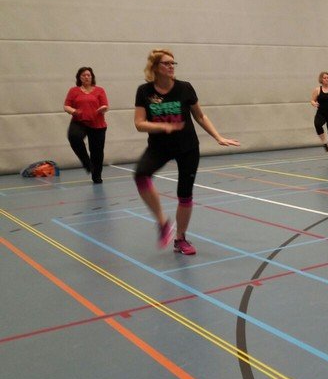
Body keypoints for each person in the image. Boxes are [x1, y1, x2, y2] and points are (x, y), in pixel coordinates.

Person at [133, 49, 239, 255]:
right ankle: (163, 223)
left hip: (187, 147)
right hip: (159, 147)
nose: (171, 66)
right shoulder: (144, 91)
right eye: (166, 63)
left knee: (185, 194)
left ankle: (180, 239)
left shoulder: (185, 88)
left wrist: (218, 136)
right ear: (155, 67)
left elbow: (200, 116)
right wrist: (162, 127)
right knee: (141, 175)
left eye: (173, 63)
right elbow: (139, 123)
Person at [63, 67, 108, 183]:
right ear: (79, 78)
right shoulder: (74, 91)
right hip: (79, 122)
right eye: (83, 75)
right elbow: (66, 106)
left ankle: (96, 176)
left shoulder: (100, 90)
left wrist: (102, 109)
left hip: (97, 124)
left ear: (92, 77)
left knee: (97, 152)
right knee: (74, 137)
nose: (86, 77)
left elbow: (105, 105)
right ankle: (87, 163)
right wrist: (73, 111)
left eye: (88, 75)